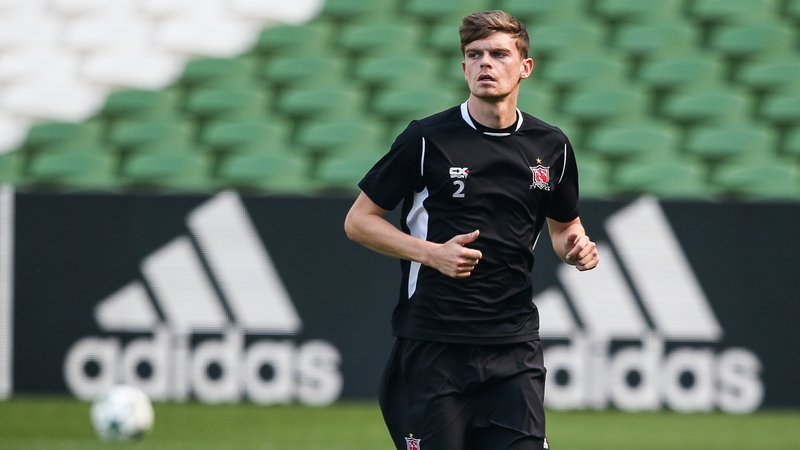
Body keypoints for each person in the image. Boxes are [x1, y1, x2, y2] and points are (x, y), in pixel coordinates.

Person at [344, 10, 599, 450]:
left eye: (499, 54)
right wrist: (431, 253)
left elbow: (564, 227)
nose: (485, 63)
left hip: (513, 347)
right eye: (474, 54)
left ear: (525, 67)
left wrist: (575, 247)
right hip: (433, 346)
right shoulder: (426, 139)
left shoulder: (551, 146)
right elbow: (358, 222)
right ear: (463, 67)